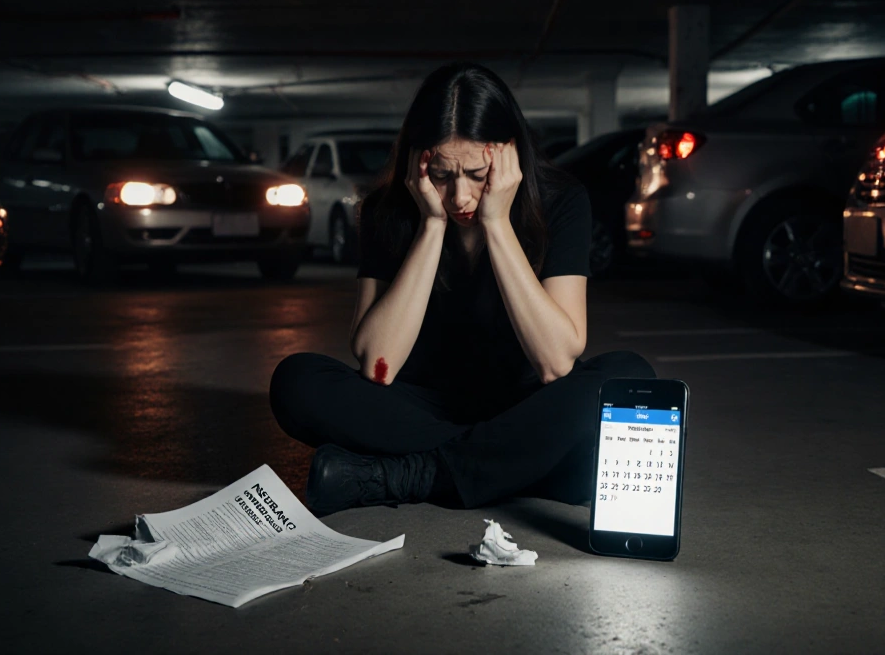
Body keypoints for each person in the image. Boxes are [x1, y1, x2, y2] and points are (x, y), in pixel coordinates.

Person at [269, 63, 654, 516]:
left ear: (510, 153)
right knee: (296, 382)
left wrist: (497, 222)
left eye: (476, 174)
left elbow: (555, 364)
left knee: (630, 379)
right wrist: (430, 226)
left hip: (525, 404)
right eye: (442, 176)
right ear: (417, 163)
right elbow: (378, 367)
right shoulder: (385, 210)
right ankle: (520, 468)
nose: (460, 198)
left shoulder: (562, 201)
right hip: (420, 409)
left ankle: (407, 476)